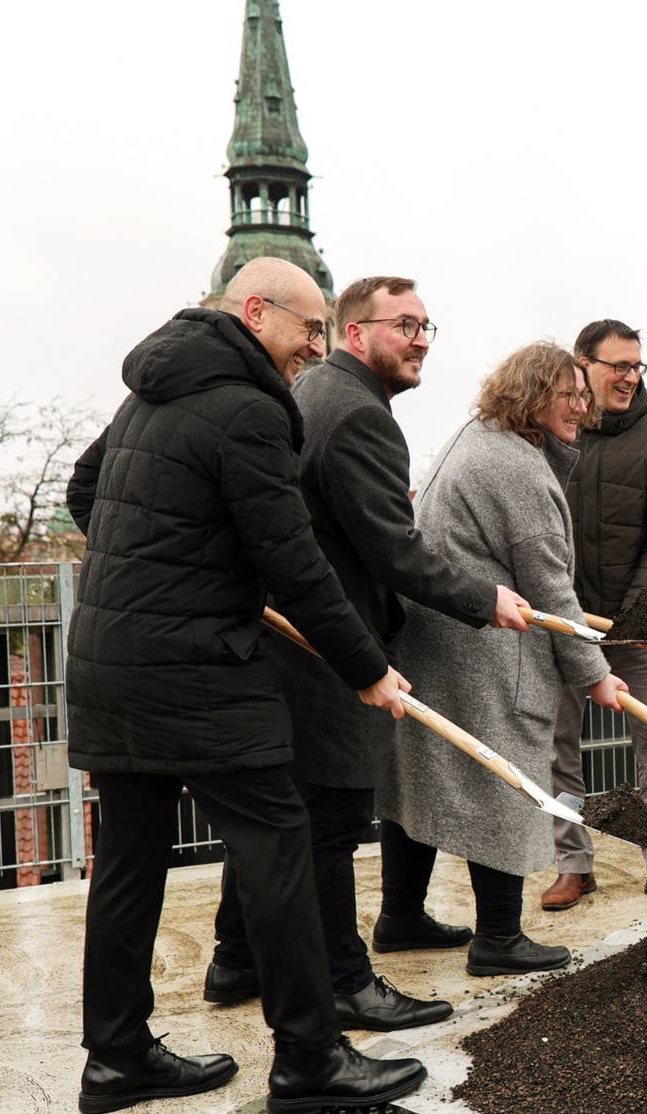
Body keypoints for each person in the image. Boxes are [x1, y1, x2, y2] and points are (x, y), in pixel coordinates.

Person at [65, 257, 425, 1114]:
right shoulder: (251, 408)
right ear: (256, 313)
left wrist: (166, 569)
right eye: (309, 328)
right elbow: (293, 561)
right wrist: (366, 668)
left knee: (128, 862)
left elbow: (87, 492)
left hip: (111, 660)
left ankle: (115, 1058)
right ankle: (310, 1061)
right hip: (198, 670)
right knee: (279, 844)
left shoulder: (147, 392)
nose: (317, 347)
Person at [205, 276, 530, 1033]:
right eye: (403, 325)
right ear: (355, 333)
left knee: (285, 810)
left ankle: (236, 957)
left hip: (289, 638)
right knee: (330, 819)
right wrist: (482, 596)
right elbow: (394, 548)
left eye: (426, 327)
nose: (420, 341)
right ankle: (345, 982)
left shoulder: (313, 394)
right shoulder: (358, 415)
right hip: (329, 647)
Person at [382, 342, 628, 975]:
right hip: (483, 655)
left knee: (422, 781)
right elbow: (552, 591)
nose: (583, 408)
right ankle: (499, 938)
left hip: (434, 642)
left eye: (584, 396)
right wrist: (596, 676)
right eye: (569, 396)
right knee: (503, 781)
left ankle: (400, 916)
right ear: (533, 395)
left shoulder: (479, 434)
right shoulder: (516, 468)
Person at [541, 320, 647, 911]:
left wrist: (640, 609)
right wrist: (557, 604)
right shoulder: (553, 429)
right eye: (618, 365)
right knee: (558, 746)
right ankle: (572, 864)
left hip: (637, 623)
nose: (629, 377)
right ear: (583, 365)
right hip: (563, 619)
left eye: (636, 366)